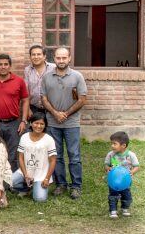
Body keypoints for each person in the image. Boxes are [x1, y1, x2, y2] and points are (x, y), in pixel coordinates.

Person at [41, 47, 87, 200]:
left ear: (69, 58)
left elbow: (82, 99)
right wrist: (55, 114)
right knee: (56, 155)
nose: (61, 61)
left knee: (74, 155)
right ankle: (61, 184)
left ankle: (76, 186)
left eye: (64, 58)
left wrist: (65, 114)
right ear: (54, 58)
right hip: (53, 123)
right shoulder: (47, 77)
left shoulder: (77, 76)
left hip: (71, 123)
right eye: (58, 58)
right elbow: (44, 99)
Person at [0, 54, 29, 172]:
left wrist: (23, 120)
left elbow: (25, 100)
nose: (3, 67)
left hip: (13, 123)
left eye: (5, 64)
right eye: (0, 64)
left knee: (12, 154)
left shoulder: (19, 81)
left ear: (10, 66)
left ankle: (11, 182)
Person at [11, 112, 57, 203]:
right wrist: (25, 174)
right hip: (25, 172)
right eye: (36, 123)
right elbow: (20, 157)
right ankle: (26, 189)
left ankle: (35, 186)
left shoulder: (49, 139)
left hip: (41, 175)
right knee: (8, 182)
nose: (38, 126)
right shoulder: (24, 137)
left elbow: (53, 161)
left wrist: (47, 178)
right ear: (31, 123)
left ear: (45, 125)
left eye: (42, 124)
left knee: (40, 199)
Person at [105, 131, 140, 218]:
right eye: (111, 143)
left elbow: (137, 166)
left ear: (123, 145)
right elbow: (106, 165)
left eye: (114, 144)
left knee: (126, 195)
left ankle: (125, 208)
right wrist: (108, 169)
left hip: (125, 181)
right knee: (113, 195)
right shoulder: (110, 154)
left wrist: (131, 172)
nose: (112, 146)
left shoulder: (131, 155)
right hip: (113, 180)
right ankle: (113, 210)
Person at [24, 45, 56, 116]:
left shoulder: (53, 68)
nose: (36, 57)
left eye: (39, 54)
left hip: (52, 108)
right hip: (34, 108)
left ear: (44, 56)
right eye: (33, 55)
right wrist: (28, 109)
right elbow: (26, 92)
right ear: (30, 57)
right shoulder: (27, 70)